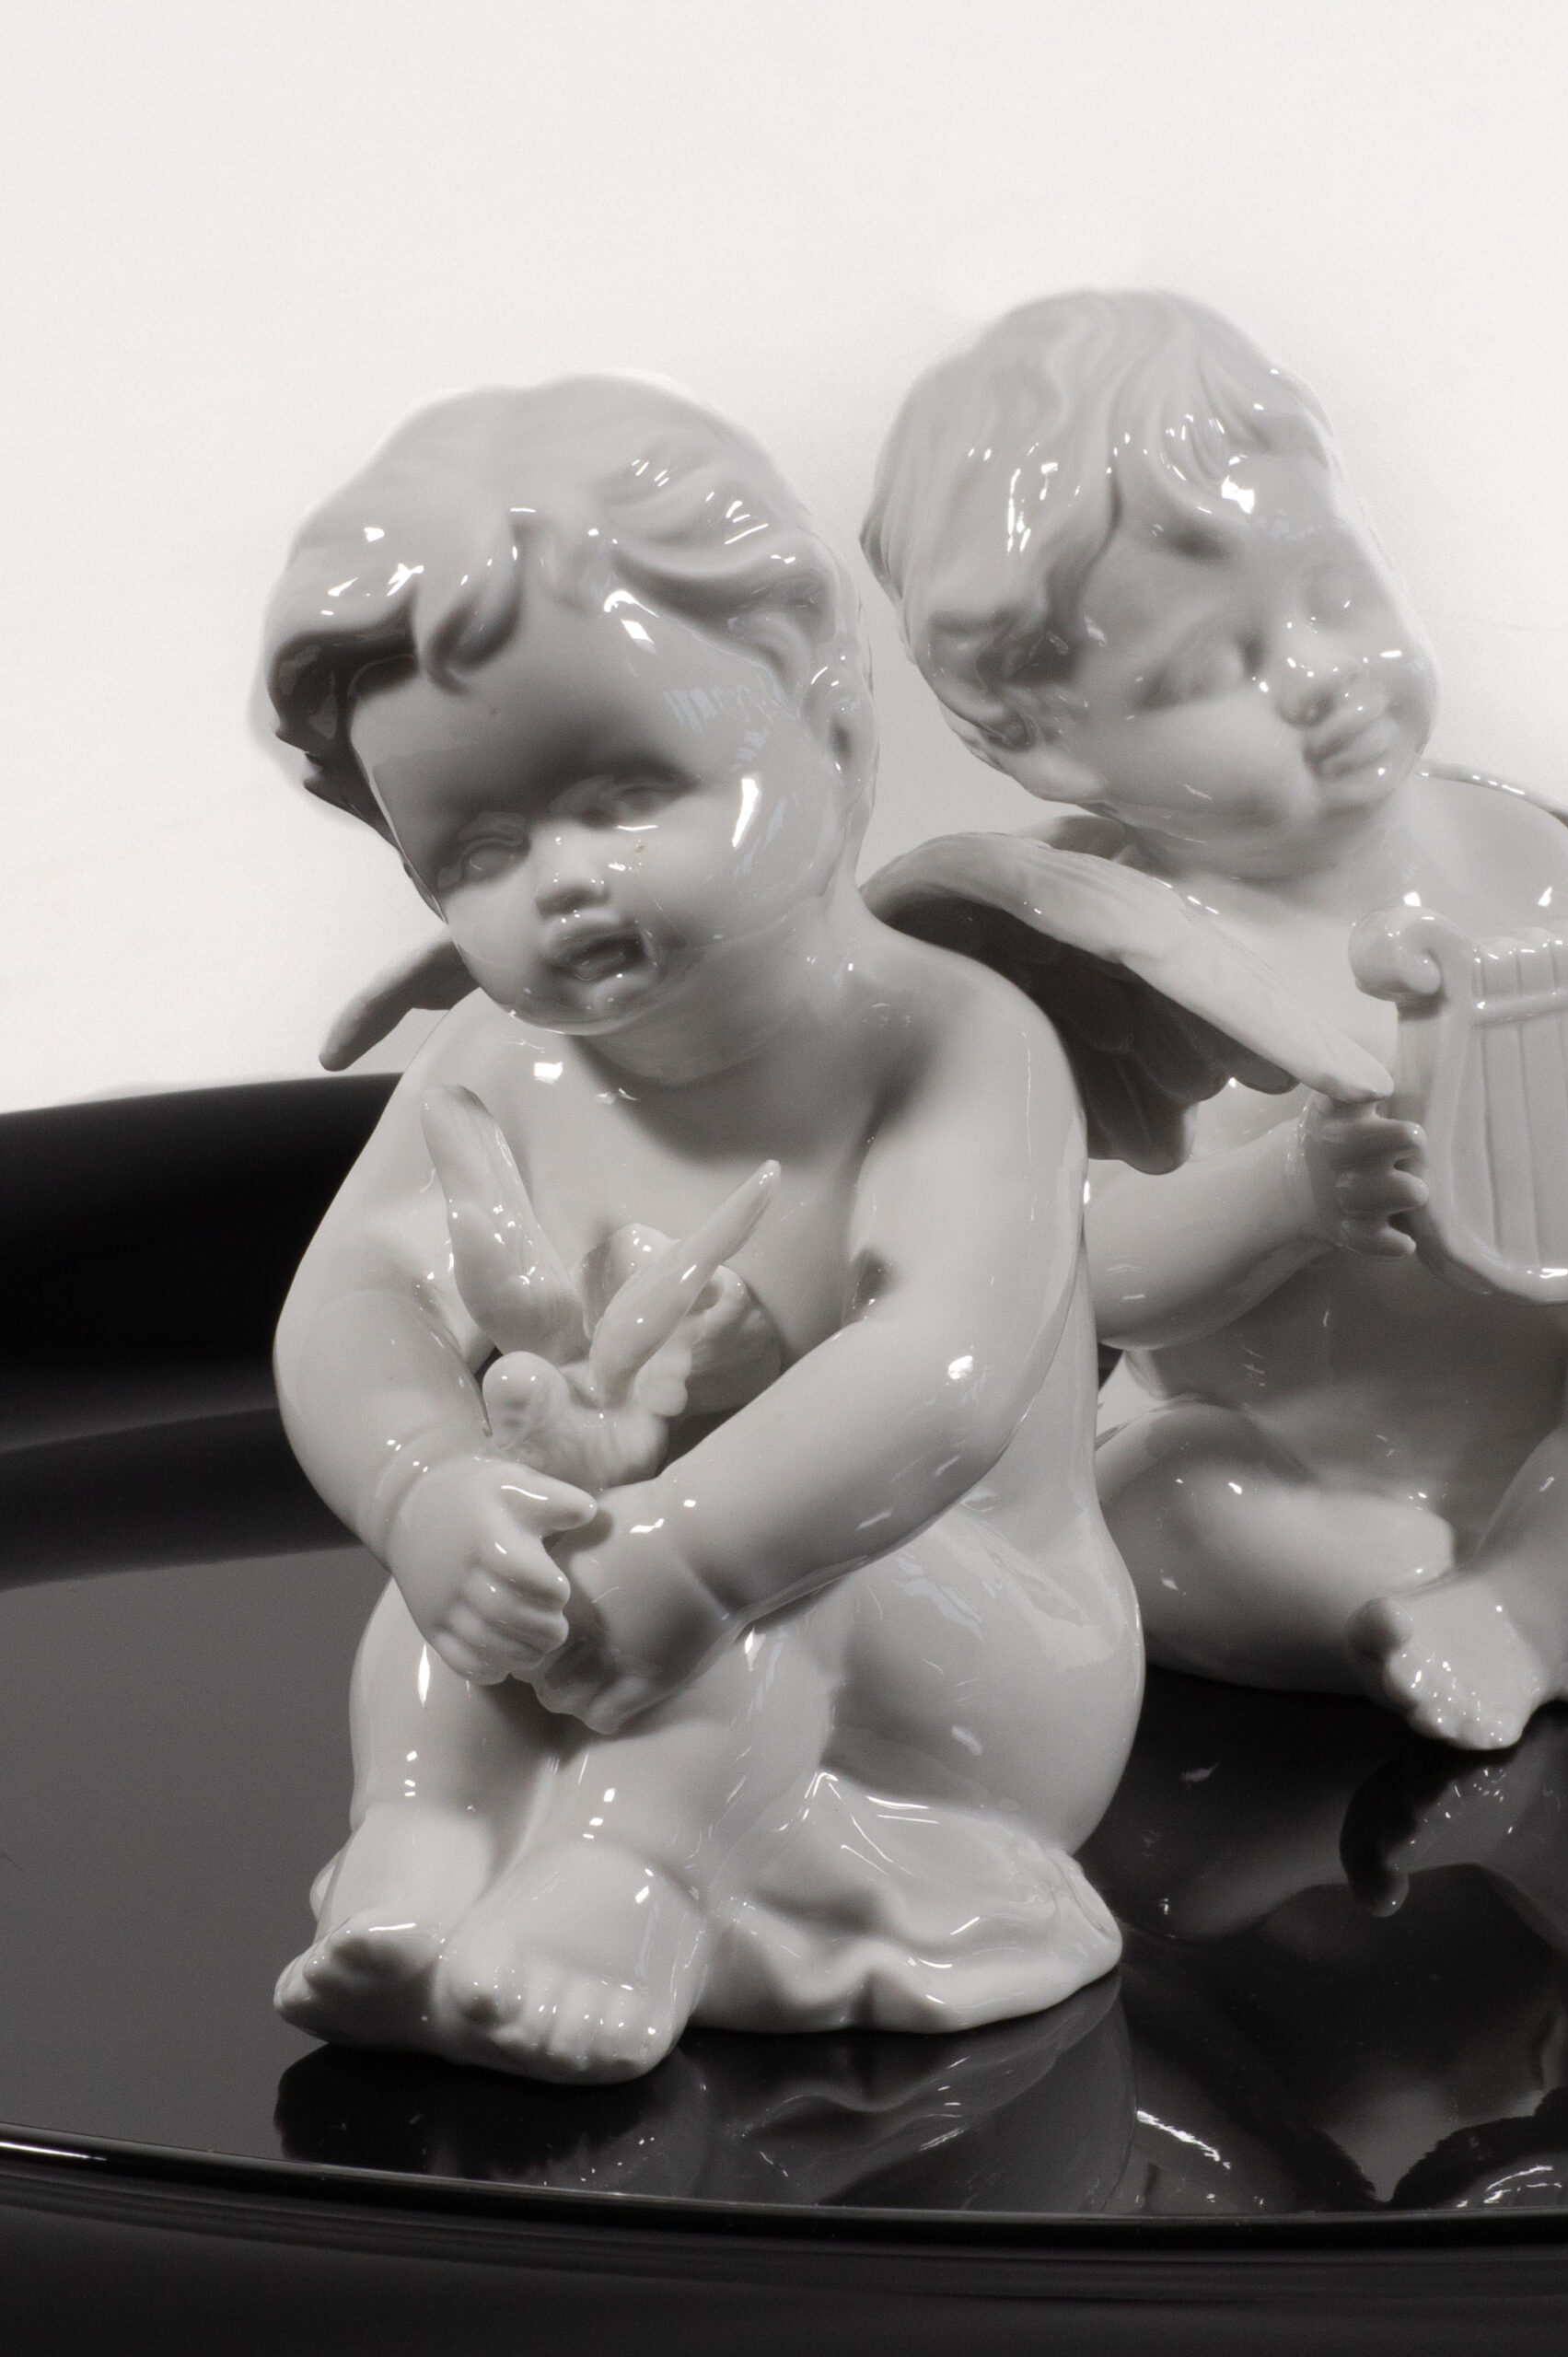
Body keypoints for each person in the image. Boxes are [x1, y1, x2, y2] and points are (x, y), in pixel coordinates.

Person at [262, 376, 1142, 2082]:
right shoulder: (497, 1061)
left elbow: (938, 1374)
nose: (562, 880)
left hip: (968, 1654)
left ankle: (632, 1885)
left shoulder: (952, 1047)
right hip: (633, 1594)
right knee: (480, 1557)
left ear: (834, 730)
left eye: (625, 797)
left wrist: (687, 1555)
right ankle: (422, 1842)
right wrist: (423, 1488)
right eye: (478, 851)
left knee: (785, 1571)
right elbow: (352, 1301)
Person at [862, 291, 1568, 1750]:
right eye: (1210, 671)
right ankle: (1500, 1598)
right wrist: (1289, 1195)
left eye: (1338, 592)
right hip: (1296, 1466)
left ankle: (1536, 1592)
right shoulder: (1076, 953)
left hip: (1555, 1419)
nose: (1320, 677)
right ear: (1042, 745)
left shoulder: (1525, 858)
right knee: (1158, 1500)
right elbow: (1068, 1273)